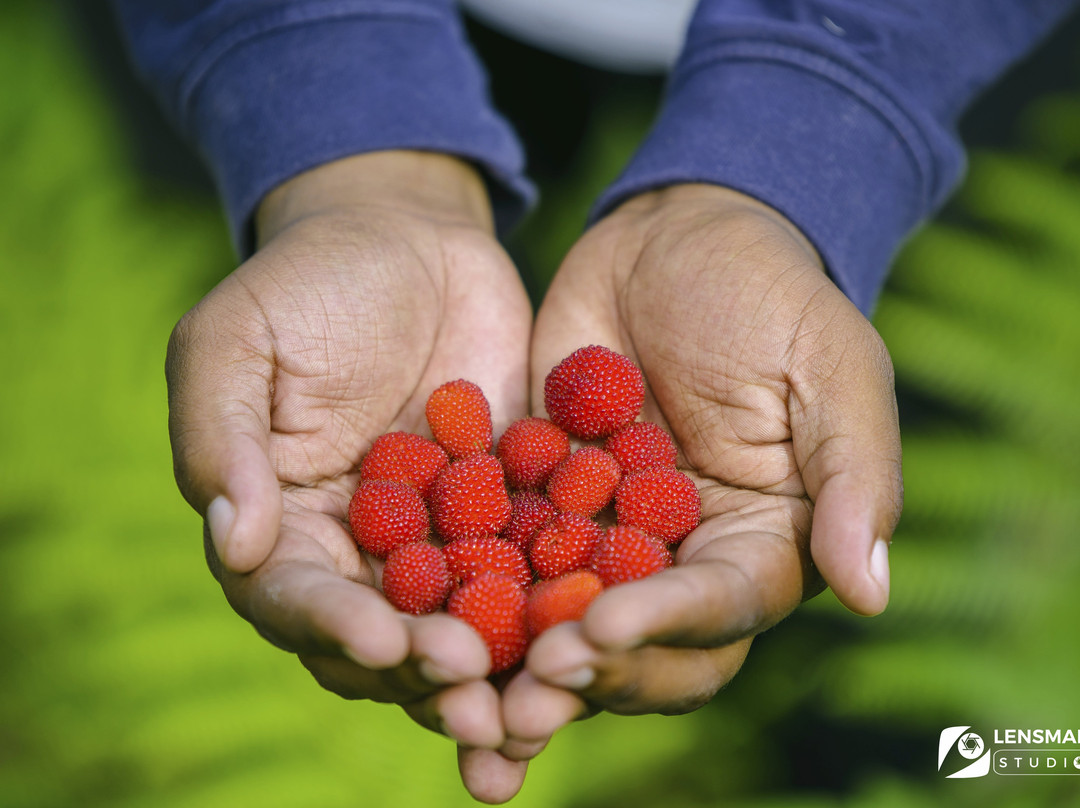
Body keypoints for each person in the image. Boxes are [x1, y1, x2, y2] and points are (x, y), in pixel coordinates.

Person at [109, 1, 1079, 802]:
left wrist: (801, 132)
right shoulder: (509, 494)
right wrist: (344, 148)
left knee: (866, 625)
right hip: (412, 38)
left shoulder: (560, 486)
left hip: (899, 45)